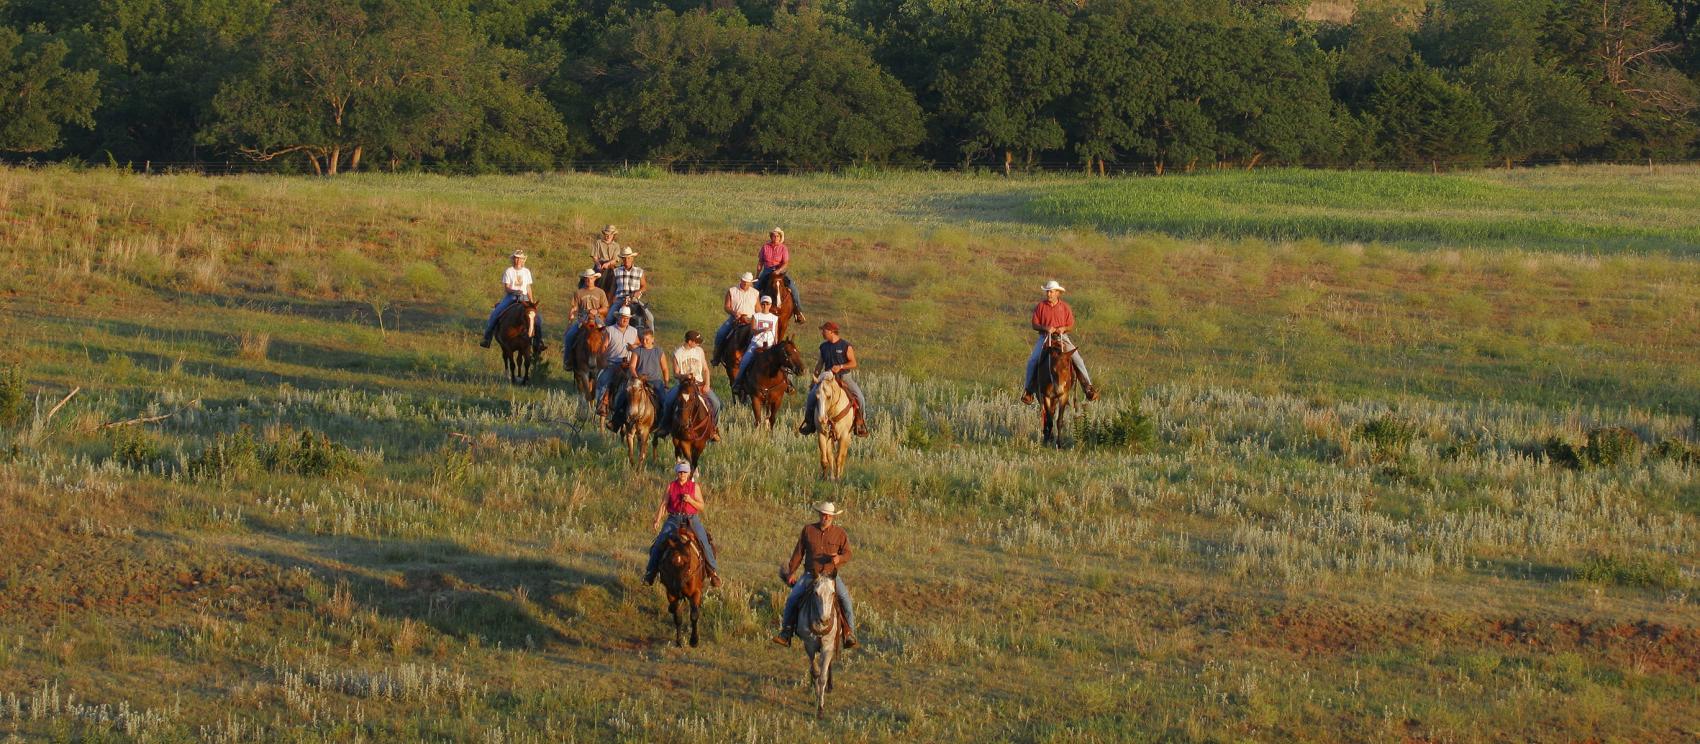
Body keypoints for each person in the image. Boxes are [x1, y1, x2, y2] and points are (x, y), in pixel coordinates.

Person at [772, 501, 856, 649]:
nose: (826, 518)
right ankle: (786, 632)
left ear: (832, 517)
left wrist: (839, 559)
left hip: (831, 576)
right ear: (819, 514)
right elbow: (799, 552)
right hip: (811, 574)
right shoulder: (808, 530)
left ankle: (849, 633)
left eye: (829, 515)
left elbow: (848, 553)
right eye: (824, 515)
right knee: (792, 598)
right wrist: (791, 572)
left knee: (845, 599)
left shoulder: (840, 533)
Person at [643, 461, 720, 588]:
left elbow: (701, 506)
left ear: (689, 473)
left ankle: (712, 572)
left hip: (691, 519)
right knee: (659, 542)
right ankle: (650, 573)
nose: (682, 474)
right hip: (674, 518)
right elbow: (664, 504)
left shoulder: (694, 487)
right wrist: (657, 519)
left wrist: (690, 500)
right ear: (677, 472)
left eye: (684, 472)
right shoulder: (671, 486)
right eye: (680, 472)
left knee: (704, 541)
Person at [1022, 280, 1099, 403]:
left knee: (1077, 359)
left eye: (1051, 292)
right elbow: (1034, 324)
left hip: (1062, 337)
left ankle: (1088, 387)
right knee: (1032, 361)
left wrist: (1063, 328)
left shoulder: (1065, 307)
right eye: (1047, 292)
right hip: (1045, 337)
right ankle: (1028, 391)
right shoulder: (1041, 306)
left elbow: (1070, 325)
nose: (1048, 294)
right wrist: (1045, 328)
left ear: (1058, 293)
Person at [798, 321, 868, 437]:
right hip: (827, 377)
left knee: (859, 397)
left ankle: (860, 423)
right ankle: (810, 423)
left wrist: (841, 366)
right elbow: (820, 364)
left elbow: (853, 363)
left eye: (824, 331)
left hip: (844, 377)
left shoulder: (845, 346)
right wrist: (813, 381)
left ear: (831, 332)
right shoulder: (824, 347)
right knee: (811, 397)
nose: (822, 333)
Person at [480, 250, 546, 354]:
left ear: (523, 260)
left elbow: (528, 287)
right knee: (496, 313)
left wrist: (531, 300)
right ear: (513, 259)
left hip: (524, 297)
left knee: (538, 318)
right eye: (516, 258)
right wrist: (514, 291)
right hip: (511, 296)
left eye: (520, 258)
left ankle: (538, 342)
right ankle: (487, 338)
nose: (518, 260)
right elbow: (506, 288)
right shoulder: (508, 271)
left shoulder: (526, 271)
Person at [662, 330, 721, 441]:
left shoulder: (699, 351)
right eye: (696, 342)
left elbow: (706, 370)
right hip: (684, 385)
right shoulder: (678, 354)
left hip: (699, 383)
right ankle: (665, 427)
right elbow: (675, 374)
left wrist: (707, 384)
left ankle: (713, 429)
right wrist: (685, 376)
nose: (698, 344)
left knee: (716, 404)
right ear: (689, 342)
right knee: (668, 401)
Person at [609, 328, 670, 432]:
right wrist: (636, 377)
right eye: (642, 339)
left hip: (655, 380)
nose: (644, 341)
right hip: (638, 379)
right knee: (623, 396)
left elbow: (665, 368)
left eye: (647, 339)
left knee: (664, 400)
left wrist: (666, 382)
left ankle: (664, 425)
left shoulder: (658, 351)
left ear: (652, 339)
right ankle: (615, 422)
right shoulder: (637, 350)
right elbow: (632, 366)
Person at [593, 307, 641, 415]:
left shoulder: (634, 331)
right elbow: (603, 348)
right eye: (623, 317)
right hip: (613, 362)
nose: (625, 320)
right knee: (605, 381)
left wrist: (634, 347)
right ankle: (602, 404)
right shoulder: (610, 330)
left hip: (628, 363)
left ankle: (635, 408)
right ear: (618, 317)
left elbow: (639, 344)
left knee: (636, 384)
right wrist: (604, 360)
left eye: (627, 318)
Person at [732, 296, 780, 396]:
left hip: (770, 346)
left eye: (767, 304)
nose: (765, 306)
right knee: (744, 361)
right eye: (763, 304)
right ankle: (737, 383)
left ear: (770, 305)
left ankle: (788, 384)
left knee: (783, 362)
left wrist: (776, 345)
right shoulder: (756, 316)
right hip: (757, 344)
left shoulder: (775, 318)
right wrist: (762, 330)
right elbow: (753, 331)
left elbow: (775, 334)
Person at [561, 268, 608, 367]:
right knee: (569, 336)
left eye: (590, 278)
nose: (588, 280)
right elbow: (575, 306)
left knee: (607, 335)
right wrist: (573, 310)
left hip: (597, 319)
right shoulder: (579, 292)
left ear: (595, 278)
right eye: (586, 278)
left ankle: (606, 360)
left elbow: (605, 308)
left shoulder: (600, 292)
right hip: (582, 319)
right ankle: (567, 360)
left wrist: (597, 311)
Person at [755, 228, 805, 322]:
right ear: (771, 237)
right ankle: (751, 311)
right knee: (755, 288)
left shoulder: (783, 248)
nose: (775, 237)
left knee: (793, 288)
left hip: (780, 271)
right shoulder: (765, 247)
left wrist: (779, 271)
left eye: (777, 236)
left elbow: (786, 263)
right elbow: (760, 262)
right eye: (774, 235)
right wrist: (757, 276)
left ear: (780, 237)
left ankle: (798, 312)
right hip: (767, 271)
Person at [714, 272, 760, 360]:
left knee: (762, 337)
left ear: (751, 283)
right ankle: (717, 356)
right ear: (741, 280)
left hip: (751, 320)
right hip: (735, 319)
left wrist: (759, 317)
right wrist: (734, 313)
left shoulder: (755, 293)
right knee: (721, 333)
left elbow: (758, 309)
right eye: (744, 281)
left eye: (747, 282)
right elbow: (726, 307)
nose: (745, 283)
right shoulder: (732, 291)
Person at [606, 246, 654, 329]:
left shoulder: (639, 271)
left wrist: (638, 292)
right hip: (620, 300)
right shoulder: (616, 271)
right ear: (622, 259)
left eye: (628, 258)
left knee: (650, 317)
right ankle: (607, 338)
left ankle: (651, 339)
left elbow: (644, 286)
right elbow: (613, 288)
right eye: (624, 258)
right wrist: (610, 303)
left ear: (632, 258)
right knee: (608, 319)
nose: (626, 260)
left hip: (634, 300)